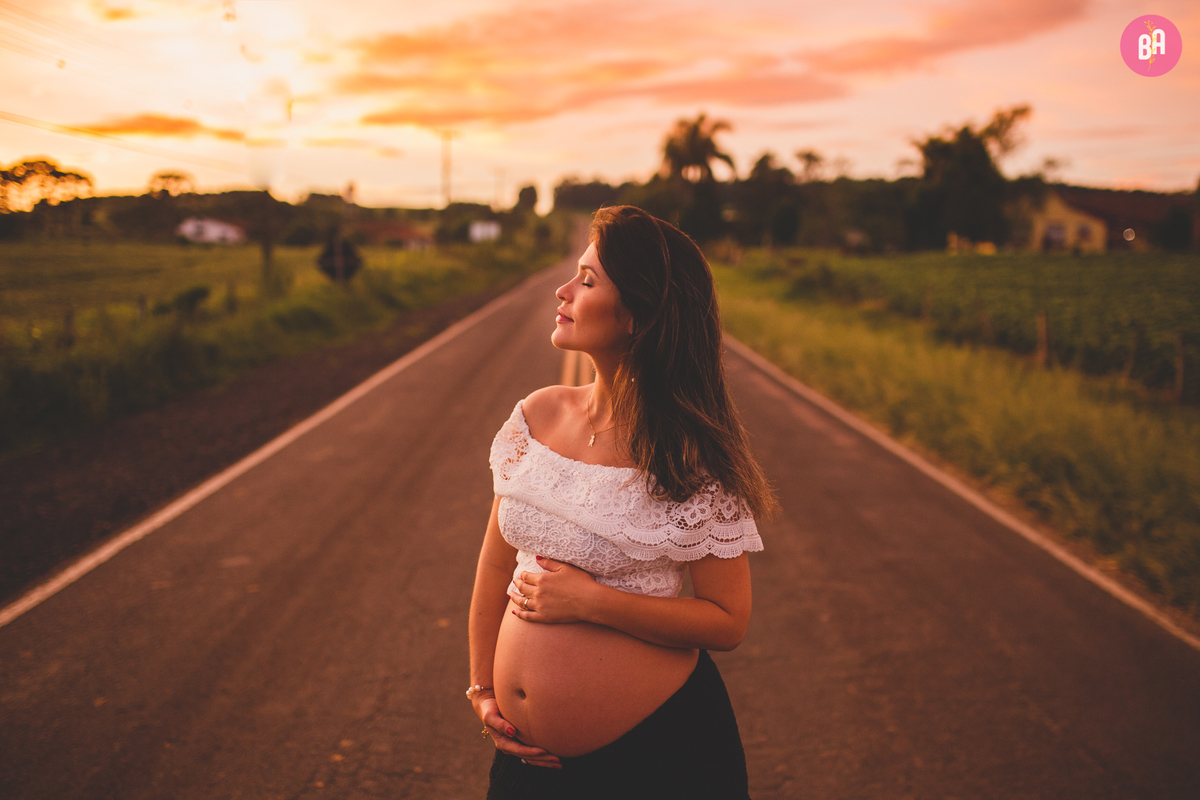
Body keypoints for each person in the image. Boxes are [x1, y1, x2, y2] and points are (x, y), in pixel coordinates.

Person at [467, 205, 778, 800]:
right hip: (527, 766)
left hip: (658, 759)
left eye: (586, 281)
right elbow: (494, 565)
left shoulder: (688, 457)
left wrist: (593, 602)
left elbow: (726, 620)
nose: (563, 290)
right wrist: (483, 691)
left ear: (636, 313)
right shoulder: (536, 415)